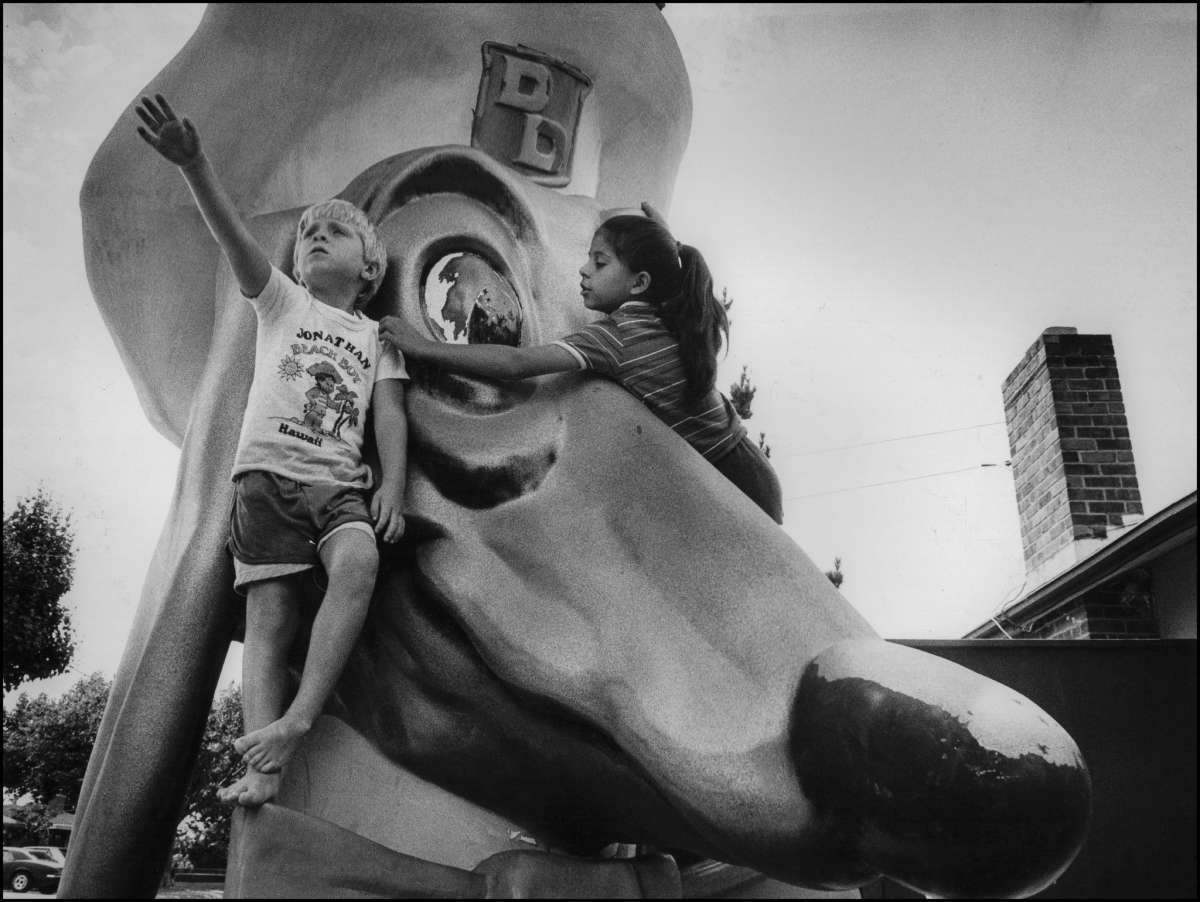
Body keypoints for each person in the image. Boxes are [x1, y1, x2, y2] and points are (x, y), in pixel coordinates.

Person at [135, 94, 409, 806]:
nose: (315, 237)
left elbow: (391, 414)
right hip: (265, 482)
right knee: (269, 618)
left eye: (336, 233)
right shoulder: (283, 303)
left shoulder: (377, 339)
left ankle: (299, 716)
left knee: (359, 562)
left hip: (338, 487)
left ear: (370, 269)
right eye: (309, 232)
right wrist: (195, 165)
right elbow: (233, 239)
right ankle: (263, 769)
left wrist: (394, 486)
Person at [379, 204, 782, 523]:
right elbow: (679, 278)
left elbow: (516, 362)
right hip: (752, 470)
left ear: (639, 283)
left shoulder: (616, 337)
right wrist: (668, 245)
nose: (584, 270)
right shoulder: (679, 314)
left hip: (732, 485)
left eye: (600, 263)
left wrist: (424, 346)